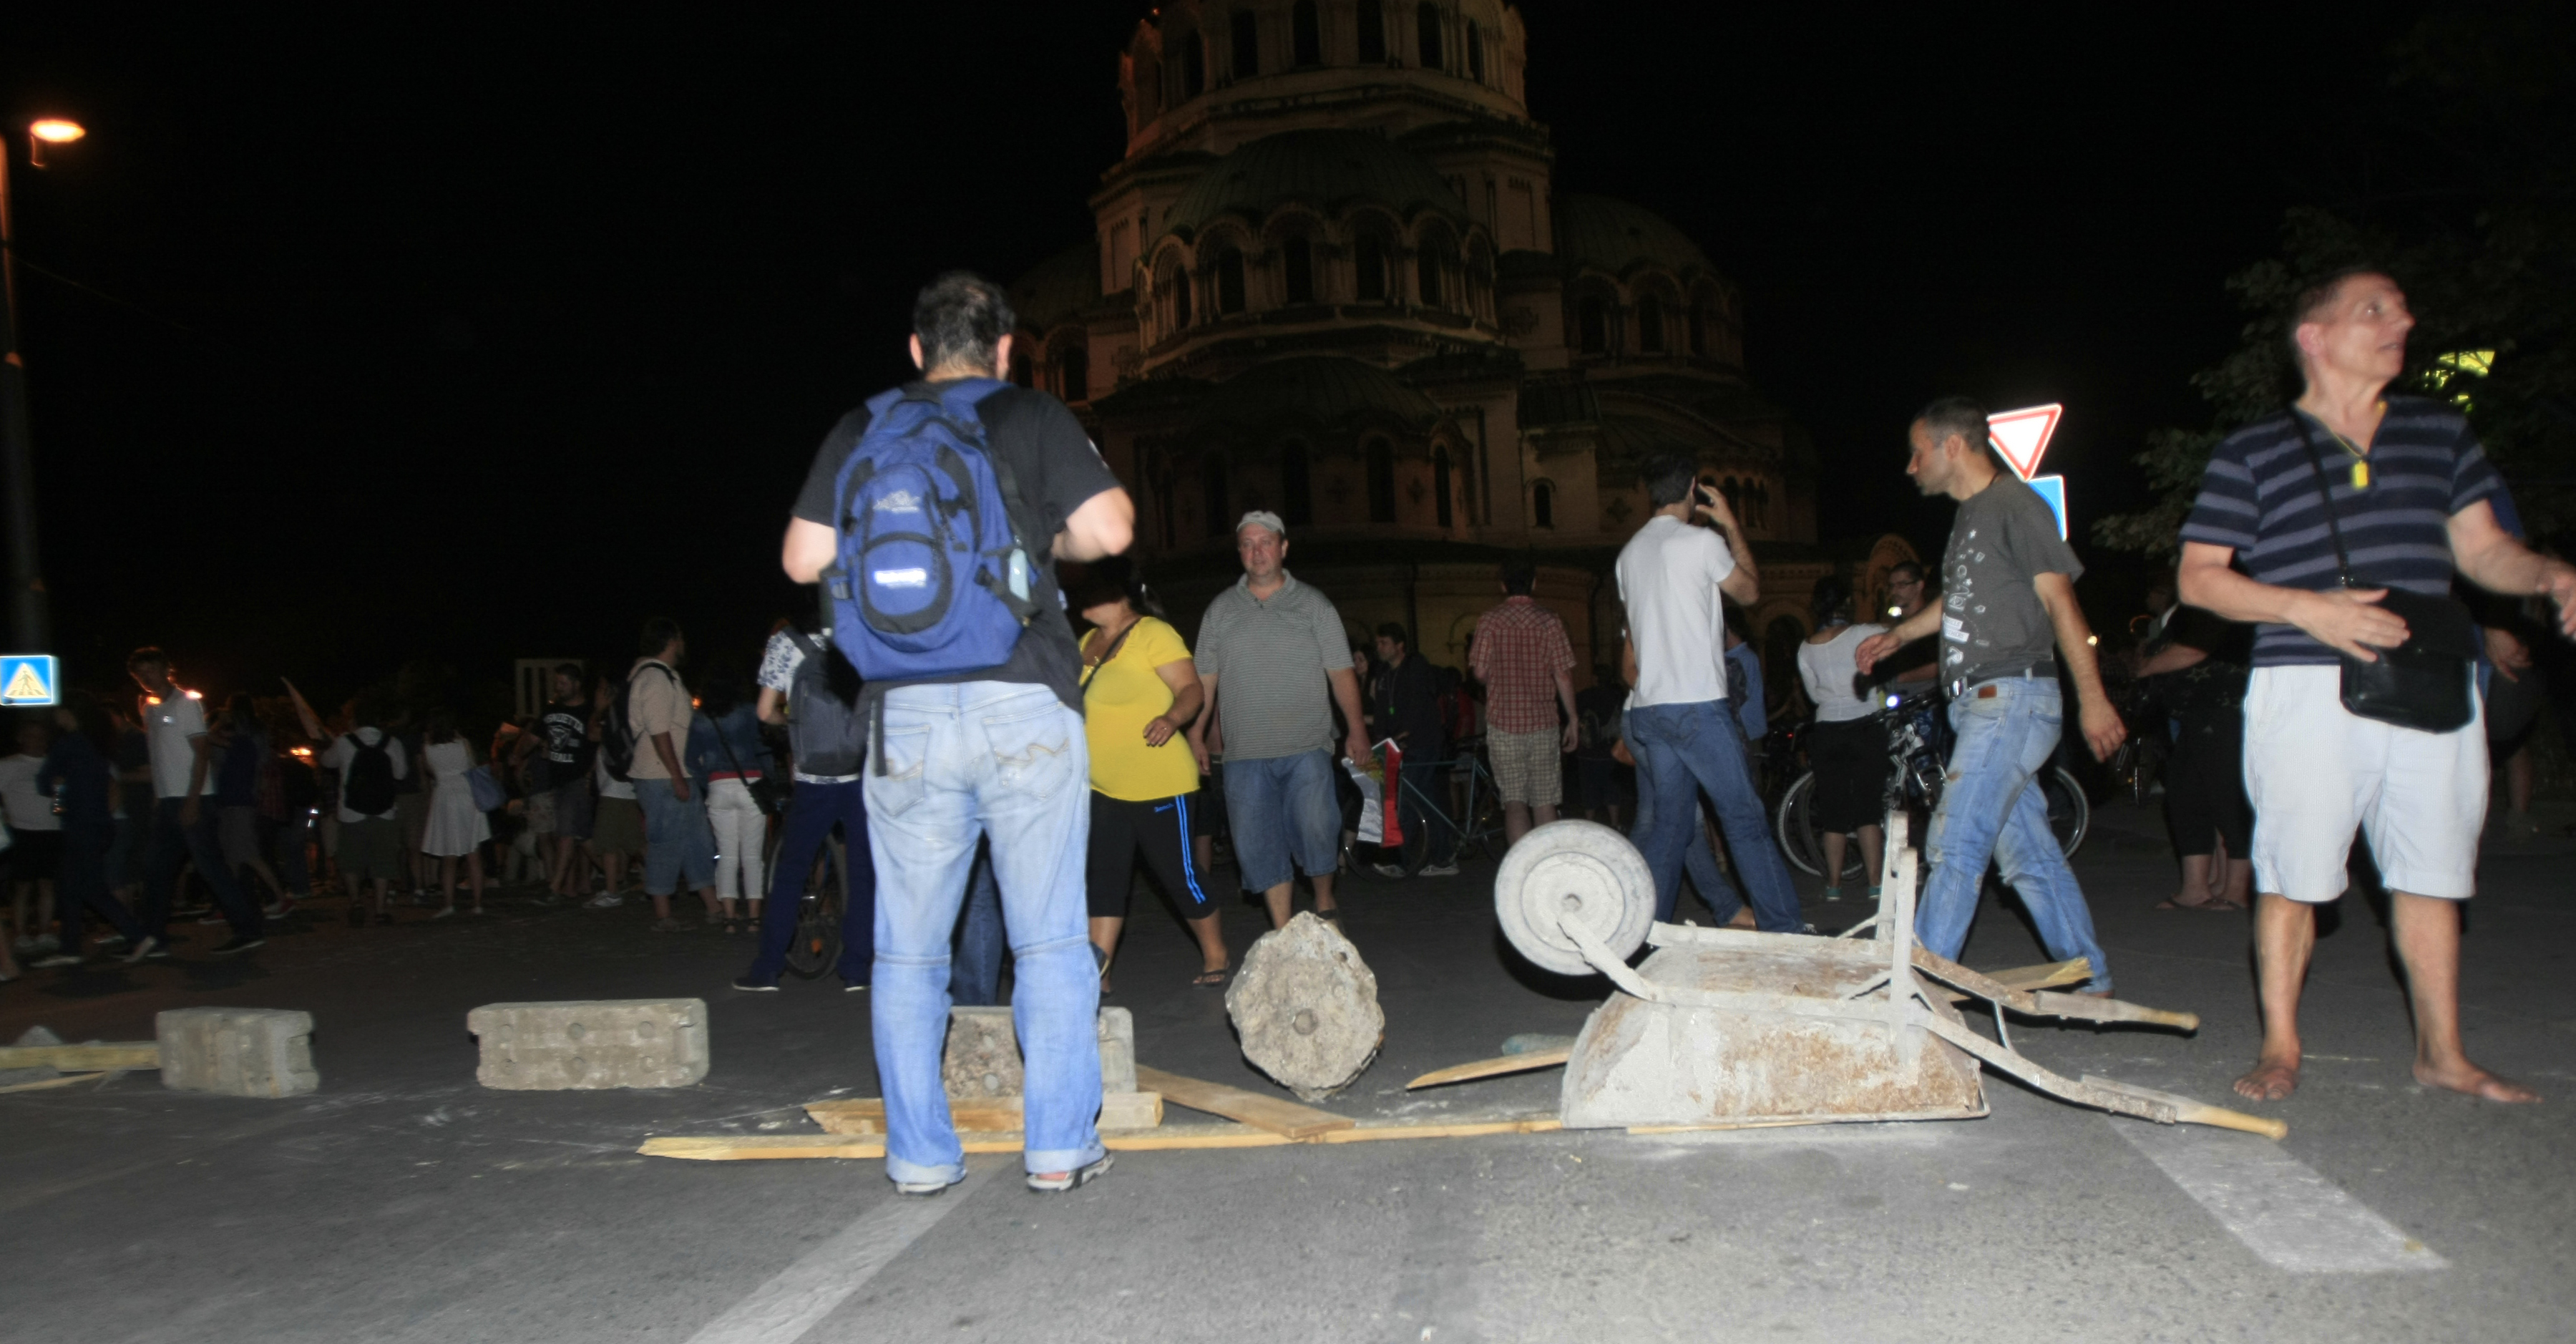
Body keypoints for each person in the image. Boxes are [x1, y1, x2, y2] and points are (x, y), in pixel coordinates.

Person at [2175, 267, 2576, 1105]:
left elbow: (2481, 550)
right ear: (2314, 338)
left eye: (2401, 305)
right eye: (2376, 309)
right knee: (2293, 873)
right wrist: (2304, 610)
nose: (2404, 319)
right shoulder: (2252, 451)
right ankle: (2282, 1046)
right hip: (2304, 680)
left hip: (2430, 676)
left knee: (2432, 870)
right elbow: (2200, 580)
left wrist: (2545, 574)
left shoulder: (2440, 432)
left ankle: (2444, 1053)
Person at [779, 270, 1134, 1193]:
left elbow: (802, 556)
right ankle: (1058, 1145)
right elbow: (1112, 527)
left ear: (915, 350)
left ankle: (920, 1155)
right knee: (1049, 939)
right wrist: (1040, 538)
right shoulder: (1031, 416)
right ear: (1005, 349)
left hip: (905, 716)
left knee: (908, 949)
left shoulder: (867, 423)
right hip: (1025, 698)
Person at [1855, 397, 2124, 990]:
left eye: (1917, 451)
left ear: (1953, 446)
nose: (1910, 466)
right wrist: (1898, 635)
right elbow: (1960, 605)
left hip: (2012, 697)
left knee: (1954, 843)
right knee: (2027, 856)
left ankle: (1913, 987)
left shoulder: (2016, 505)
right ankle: (2090, 975)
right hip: (1983, 702)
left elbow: (2061, 602)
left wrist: (2095, 699)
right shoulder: (1971, 517)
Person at [1615, 454, 1802, 931]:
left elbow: (1633, 640)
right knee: (1744, 819)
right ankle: (1785, 930)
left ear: (1649, 493)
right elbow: (1750, 593)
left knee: (1671, 829)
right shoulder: (1700, 542)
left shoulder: (1628, 556)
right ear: (1695, 489)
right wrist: (1732, 525)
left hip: (1651, 711)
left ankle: (1643, 935)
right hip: (1697, 705)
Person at [1189, 511, 1372, 926]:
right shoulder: (1220, 611)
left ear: (1284, 547)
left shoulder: (1314, 605)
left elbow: (1341, 671)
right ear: (1239, 552)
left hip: (1306, 746)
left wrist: (1356, 730)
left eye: (1266, 542)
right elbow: (1204, 680)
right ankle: (1284, 928)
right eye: (1248, 544)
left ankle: (1325, 903)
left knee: (1317, 828)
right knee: (1257, 845)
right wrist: (1196, 734)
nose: (1257, 551)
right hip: (1243, 754)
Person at [1072, 567, 1225, 989]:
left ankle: (1216, 953)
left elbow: (1192, 690)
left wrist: (1172, 718)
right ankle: (1096, 973)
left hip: (1159, 782)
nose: (1080, 601)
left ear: (1117, 595)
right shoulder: (1086, 643)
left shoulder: (1153, 633)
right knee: (1103, 879)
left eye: (1088, 593)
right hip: (1101, 786)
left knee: (1180, 875)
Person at [736, 617, 875, 992]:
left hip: (814, 780)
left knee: (791, 870)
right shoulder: (863, 627)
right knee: (863, 872)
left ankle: (768, 969)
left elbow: (765, 712)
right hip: (859, 773)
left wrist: (791, 725)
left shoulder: (786, 642)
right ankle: (856, 969)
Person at [127, 649, 265, 956]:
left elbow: (202, 752)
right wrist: (158, 798)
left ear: (167, 670)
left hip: (193, 798)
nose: (148, 677)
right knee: (156, 871)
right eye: (141, 673)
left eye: (152, 670)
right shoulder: (150, 710)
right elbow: (161, 760)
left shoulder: (185, 704)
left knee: (210, 868)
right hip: (168, 801)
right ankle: (154, 937)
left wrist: (192, 801)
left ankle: (248, 928)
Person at [2129, 591, 2253, 911]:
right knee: (2187, 794)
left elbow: (2196, 649)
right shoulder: (2197, 605)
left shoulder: (2220, 600)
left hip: (2223, 707)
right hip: (2195, 710)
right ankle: (2197, 888)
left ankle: (2237, 889)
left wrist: (2147, 666)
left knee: (2227, 798)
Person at [31, 696, 148, 965]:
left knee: (89, 887)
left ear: (69, 713)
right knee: (72, 886)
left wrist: (55, 785)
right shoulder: (97, 745)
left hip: (80, 824)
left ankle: (137, 935)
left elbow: (45, 782)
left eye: (60, 710)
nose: (56, 715)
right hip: (99, 822)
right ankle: (70, 947)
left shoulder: (68, 744)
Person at [1470, 563, 1580, 848]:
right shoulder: (1550, 621)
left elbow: (1480, 673)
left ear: (1503, 586)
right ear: (1534, 584)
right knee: (1545, 801)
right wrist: (1574, 718)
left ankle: (1521, 872)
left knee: (1514, 801)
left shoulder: (1490, 620)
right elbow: (1563, 675)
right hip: (1543, 722)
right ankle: (1548, 869)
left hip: (1504, 723)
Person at [1795, 577, 1890, 902]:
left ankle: (1833, 884)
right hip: (1864, 724)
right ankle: (1875, 882)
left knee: (1833, 811)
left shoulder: (1806, 647)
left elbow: (1812, 693)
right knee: (1867, 808)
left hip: (1827, 730)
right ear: (1847, 602)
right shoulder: (1865, 632)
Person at [625, 618, 718, 932]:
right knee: (666, 842)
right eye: (679, 638)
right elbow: (659, 732)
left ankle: (713, 906)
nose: (683, 644)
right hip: (661, 776)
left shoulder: (665, 677)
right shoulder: (655, 679)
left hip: (676, 774)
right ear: (670, 641)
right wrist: (676, 775)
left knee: (697, 841)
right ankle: (663, 915)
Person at [686, 666, 772, 935]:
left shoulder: (701, 718)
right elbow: (762, 749)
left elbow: (690, 759)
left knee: (727, 856)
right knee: (752, 855)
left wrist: (707, 781)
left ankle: (730, 918)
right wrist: (769, 782)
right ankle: (755, 918)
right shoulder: (748, 712)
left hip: (718, 787)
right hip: (750, 784)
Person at [1368, 623, 1457, 879]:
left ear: (1399, 645)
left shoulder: (1416, 668)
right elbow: (1383, 711)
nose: (1379, 648)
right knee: (1426, 800)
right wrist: (1381, 740)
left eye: (1384, 643)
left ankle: (1402, 861)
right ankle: (1444, 857)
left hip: (1423, 743)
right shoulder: (1385, 676)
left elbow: (1419, 706)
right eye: (1378, 643)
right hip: (1402, 745)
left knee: (1408, 799)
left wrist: (1404, 733)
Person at [322, 698, 411, 927]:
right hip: (384, 811)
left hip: (352, 812)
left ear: (355, 719)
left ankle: (356, 902)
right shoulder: (392, 743)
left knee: (351, 861)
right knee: (383, 861)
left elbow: (326, 761)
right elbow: (401, 774)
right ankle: (381, 910)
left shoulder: (344, 742)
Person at [519, 663, 597, 900]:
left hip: (578, 781)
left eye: (563, 683)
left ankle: (554, 887)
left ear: (576, 684)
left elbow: (599, 746)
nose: (559, 688)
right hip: (558, 782)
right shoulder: (551, 711)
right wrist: (517, 753)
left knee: (565, 833)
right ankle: (617, 872)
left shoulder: (590, 711)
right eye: (557, 683)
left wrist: (590, 775)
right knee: (582, 837)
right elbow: (533, 737)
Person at [211, 695, 291, 914]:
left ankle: (280, 898)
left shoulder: (240, 745)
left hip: (238, 803)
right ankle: (229, 904)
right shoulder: (253, 743)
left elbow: (209, 738)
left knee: (249, 855)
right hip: (235, 802)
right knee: (233, 857)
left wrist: (220, 721)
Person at [418, 708, 491, 917]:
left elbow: (430, 771)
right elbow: (472, 765)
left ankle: (448, 903)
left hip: (444, 798)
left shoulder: (427, 749)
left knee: (448, 856)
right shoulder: (463, 744)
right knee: (473, 853)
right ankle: (478, 903)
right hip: (467, 796)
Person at [2, 718, 62, 959]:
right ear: (21, 738)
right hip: (22, 832)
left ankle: (46, 930)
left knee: (47, 884)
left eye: (41, 736)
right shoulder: (8, 765)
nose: (36, 741)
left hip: (52, 830)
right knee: (23, 886)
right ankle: (21, 934)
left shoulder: (55, 764)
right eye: (31, 735)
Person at [1574, 666, 1627, 829]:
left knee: (1589, 788)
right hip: (1612, 751)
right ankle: (1615, 824)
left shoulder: (1584, 696)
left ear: (1595, 678)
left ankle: (1590, 825)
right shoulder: (1619, 696)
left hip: (1588, 752)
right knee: (1612, 789)